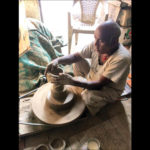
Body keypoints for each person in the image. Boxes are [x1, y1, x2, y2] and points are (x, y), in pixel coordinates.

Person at [45, 20, 131, 116]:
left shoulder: (122, 58)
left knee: (88, 97)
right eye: (95, 38)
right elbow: (75, 56)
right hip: (94, 76)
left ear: (113, 41)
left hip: (109, 88)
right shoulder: (96, 45)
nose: (95, 44)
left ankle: (88, 95)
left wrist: (72, 81)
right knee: (78, 61)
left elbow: (99, 85)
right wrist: (57, 60)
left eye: (101, 41)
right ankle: (85, 85)